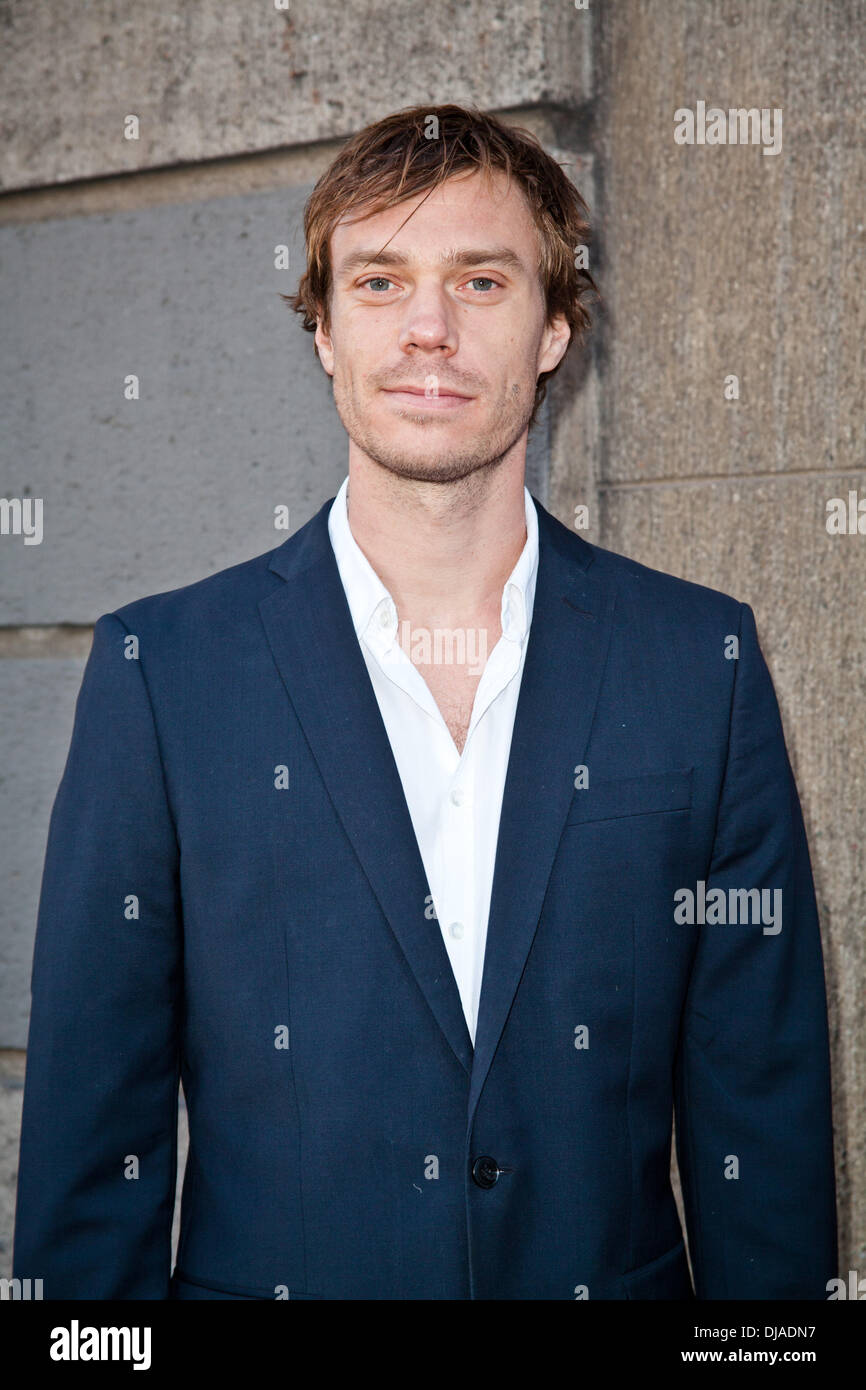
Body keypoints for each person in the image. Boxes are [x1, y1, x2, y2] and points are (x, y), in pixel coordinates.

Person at [13, 104, 836, 1300]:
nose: (429, 331)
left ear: (554, 328)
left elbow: (761, 1124)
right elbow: (94, 1139)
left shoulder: (697, 662)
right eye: (382, 280)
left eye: (482, 281)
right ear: (325, 334)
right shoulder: (163, 672)